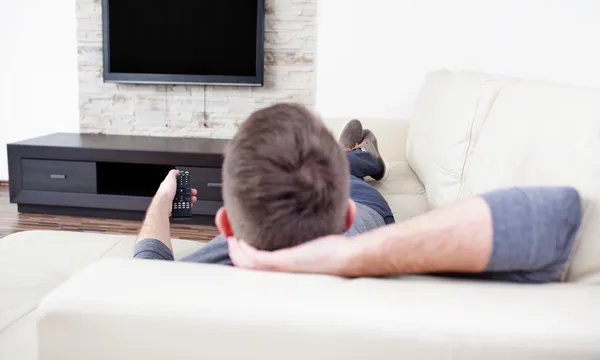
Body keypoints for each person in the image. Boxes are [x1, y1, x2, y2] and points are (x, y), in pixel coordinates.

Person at [134, 103, 582, 283]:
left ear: (226, 224)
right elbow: (555, 214)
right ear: (346, 218)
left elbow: (146, 261)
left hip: (330, 207)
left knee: (330, 169)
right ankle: (359, 155)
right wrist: (346, 255)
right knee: (345, 172)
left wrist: (162, 196)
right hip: (365, 203)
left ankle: (351, 153)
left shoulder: (184, 278)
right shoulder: (364, 241)